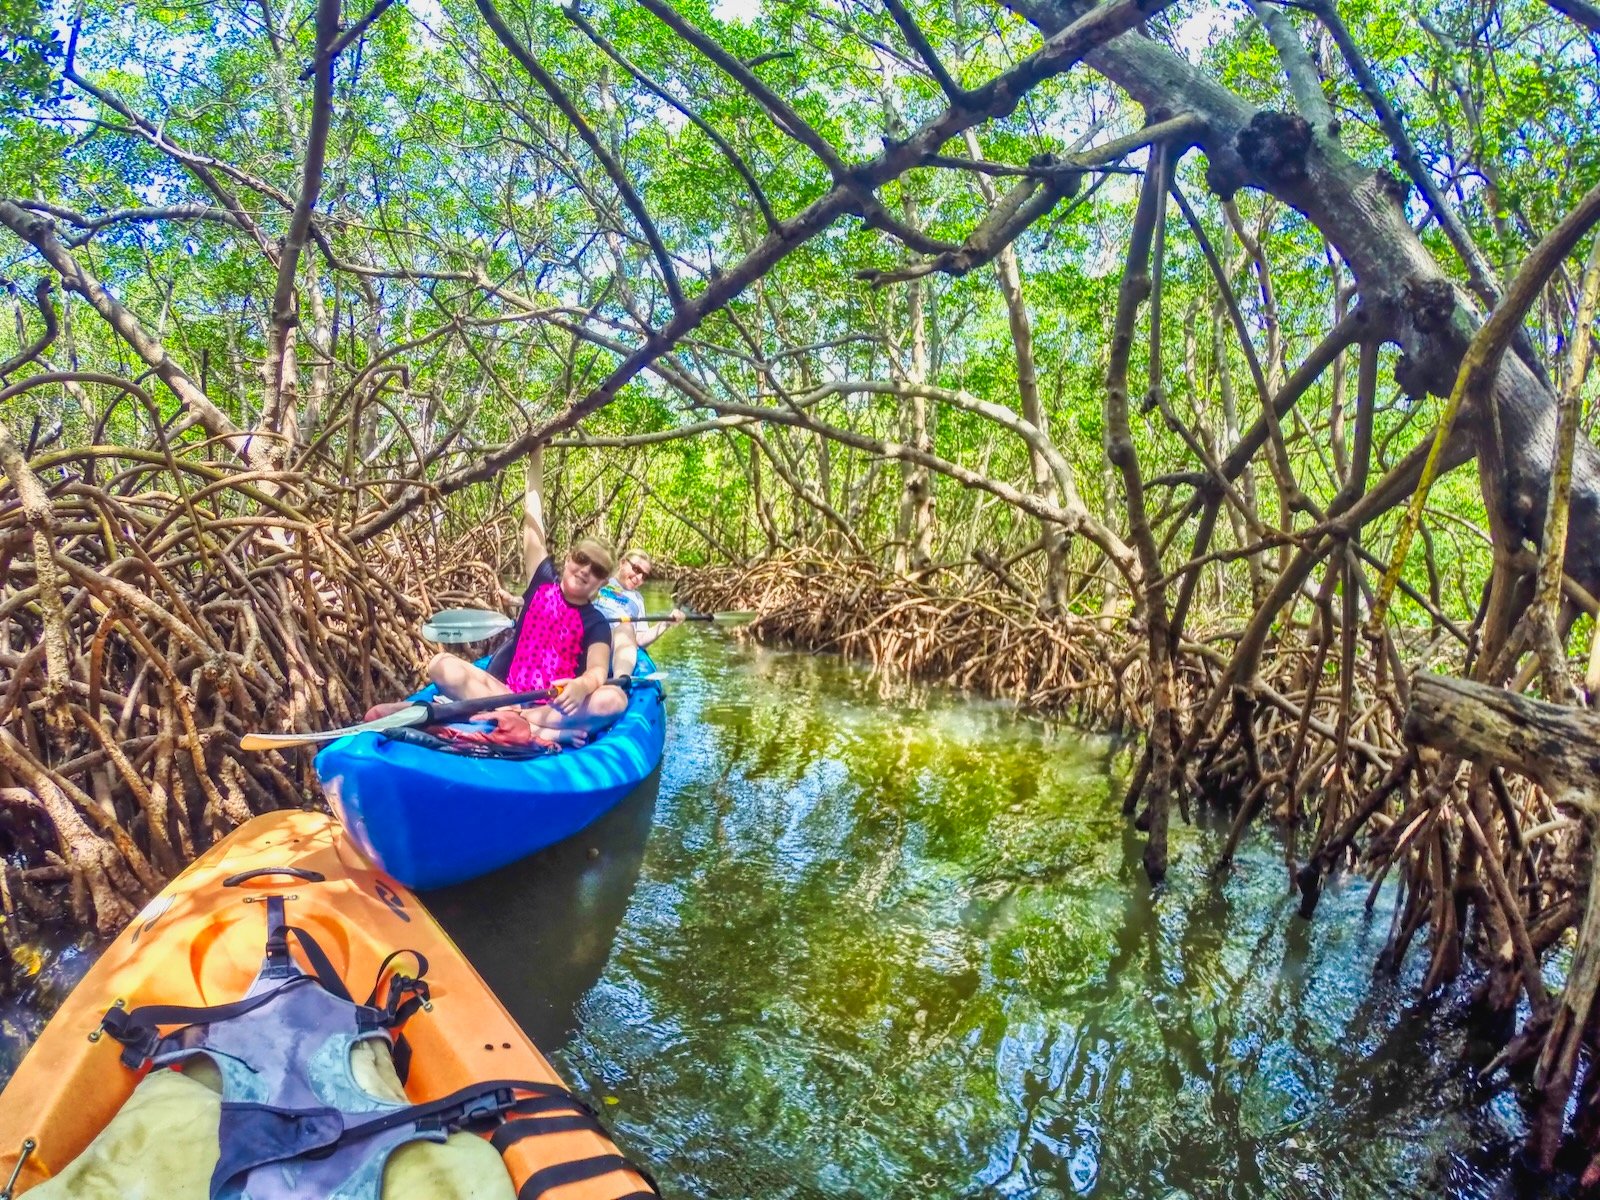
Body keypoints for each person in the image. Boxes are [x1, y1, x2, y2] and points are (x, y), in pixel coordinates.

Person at [366, 451, 628, 747]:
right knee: (440, 663)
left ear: (603, 581)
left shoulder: (596, 623)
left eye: (597, 570)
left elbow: (596, 670)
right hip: (506, 694)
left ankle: (526, 722)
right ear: (569, 559)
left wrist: (582, 685)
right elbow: (533, 521)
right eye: (582, 559)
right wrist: (536, 455)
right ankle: (528, 725)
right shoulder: (542, 582)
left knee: (614, 698)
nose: (585, 571)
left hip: (550, 708)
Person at [591, 549, 685, 676]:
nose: (639, 577)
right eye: (636, 569)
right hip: (589, 637)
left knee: (626, 627)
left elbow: (640, 640)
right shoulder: (599, 583)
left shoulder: (637, 599)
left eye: (644, 576)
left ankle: (620, 681)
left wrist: (666, 622)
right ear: (622, 563)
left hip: (614, 645)